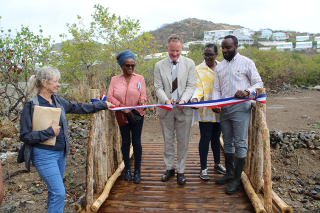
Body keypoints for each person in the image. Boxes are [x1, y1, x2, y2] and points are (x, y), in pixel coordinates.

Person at [18, 66, 114, 213]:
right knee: (59, 192)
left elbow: (79, 107)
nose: (59, 84)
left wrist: (102, 105)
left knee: (54, 191)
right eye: (55, 81)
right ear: (44, 83)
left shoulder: (57, 100)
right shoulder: (31, 106)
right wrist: (49, 132)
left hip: (60, 154)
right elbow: (24, 136)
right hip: (43, 155)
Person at [212, 35, 263, 194]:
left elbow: (258, 83)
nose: (225, 50)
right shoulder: (219, 67)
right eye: (223, 47)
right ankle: (228, 173)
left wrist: (247, 91)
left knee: (240, 142)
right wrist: (216, 103)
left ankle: (237, 178)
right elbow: (216, 89)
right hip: (225, 109)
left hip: (241, 107)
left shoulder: (247, 62)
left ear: (236, 46)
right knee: (227, 141)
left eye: (228, 47)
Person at [154, 34, 196, 185]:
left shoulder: (190, 64)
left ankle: (181, 170)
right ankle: (169, 168)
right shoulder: (159, 65)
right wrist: (166, 100)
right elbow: (158, 87)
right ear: (167, 48)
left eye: (177, 51)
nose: (174, 54)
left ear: (182, 48)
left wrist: (184, 100)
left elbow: (191, 85)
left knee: (183, 141)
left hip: (183, 109)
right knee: (168, 140)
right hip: (166, 109)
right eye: (172, 51)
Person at [107, 50, 147, 184]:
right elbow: (110, 96)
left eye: (132, 65)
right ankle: (128, 169)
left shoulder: (139, 78)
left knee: (136, 142)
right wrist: (122, 106)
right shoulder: (114, 79)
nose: (130, 68)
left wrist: (142, 101)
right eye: (127, 65)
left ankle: (137, 171)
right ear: (121, 66)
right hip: (122, 116)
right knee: (125, 142)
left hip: (137, 114)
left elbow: (143, 94)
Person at [191, 43, 226, 181]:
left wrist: (221, 105)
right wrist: (195, 99)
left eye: (210, 54)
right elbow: (198, 87)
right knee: (205, 138)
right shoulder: (198, 69)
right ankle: (204, 168)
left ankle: (217, 164)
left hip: (220, 109)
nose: (208, 57)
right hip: (205, 111)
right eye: (205, 54)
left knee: (216, 138)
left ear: (216, 54)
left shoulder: (223, 67)